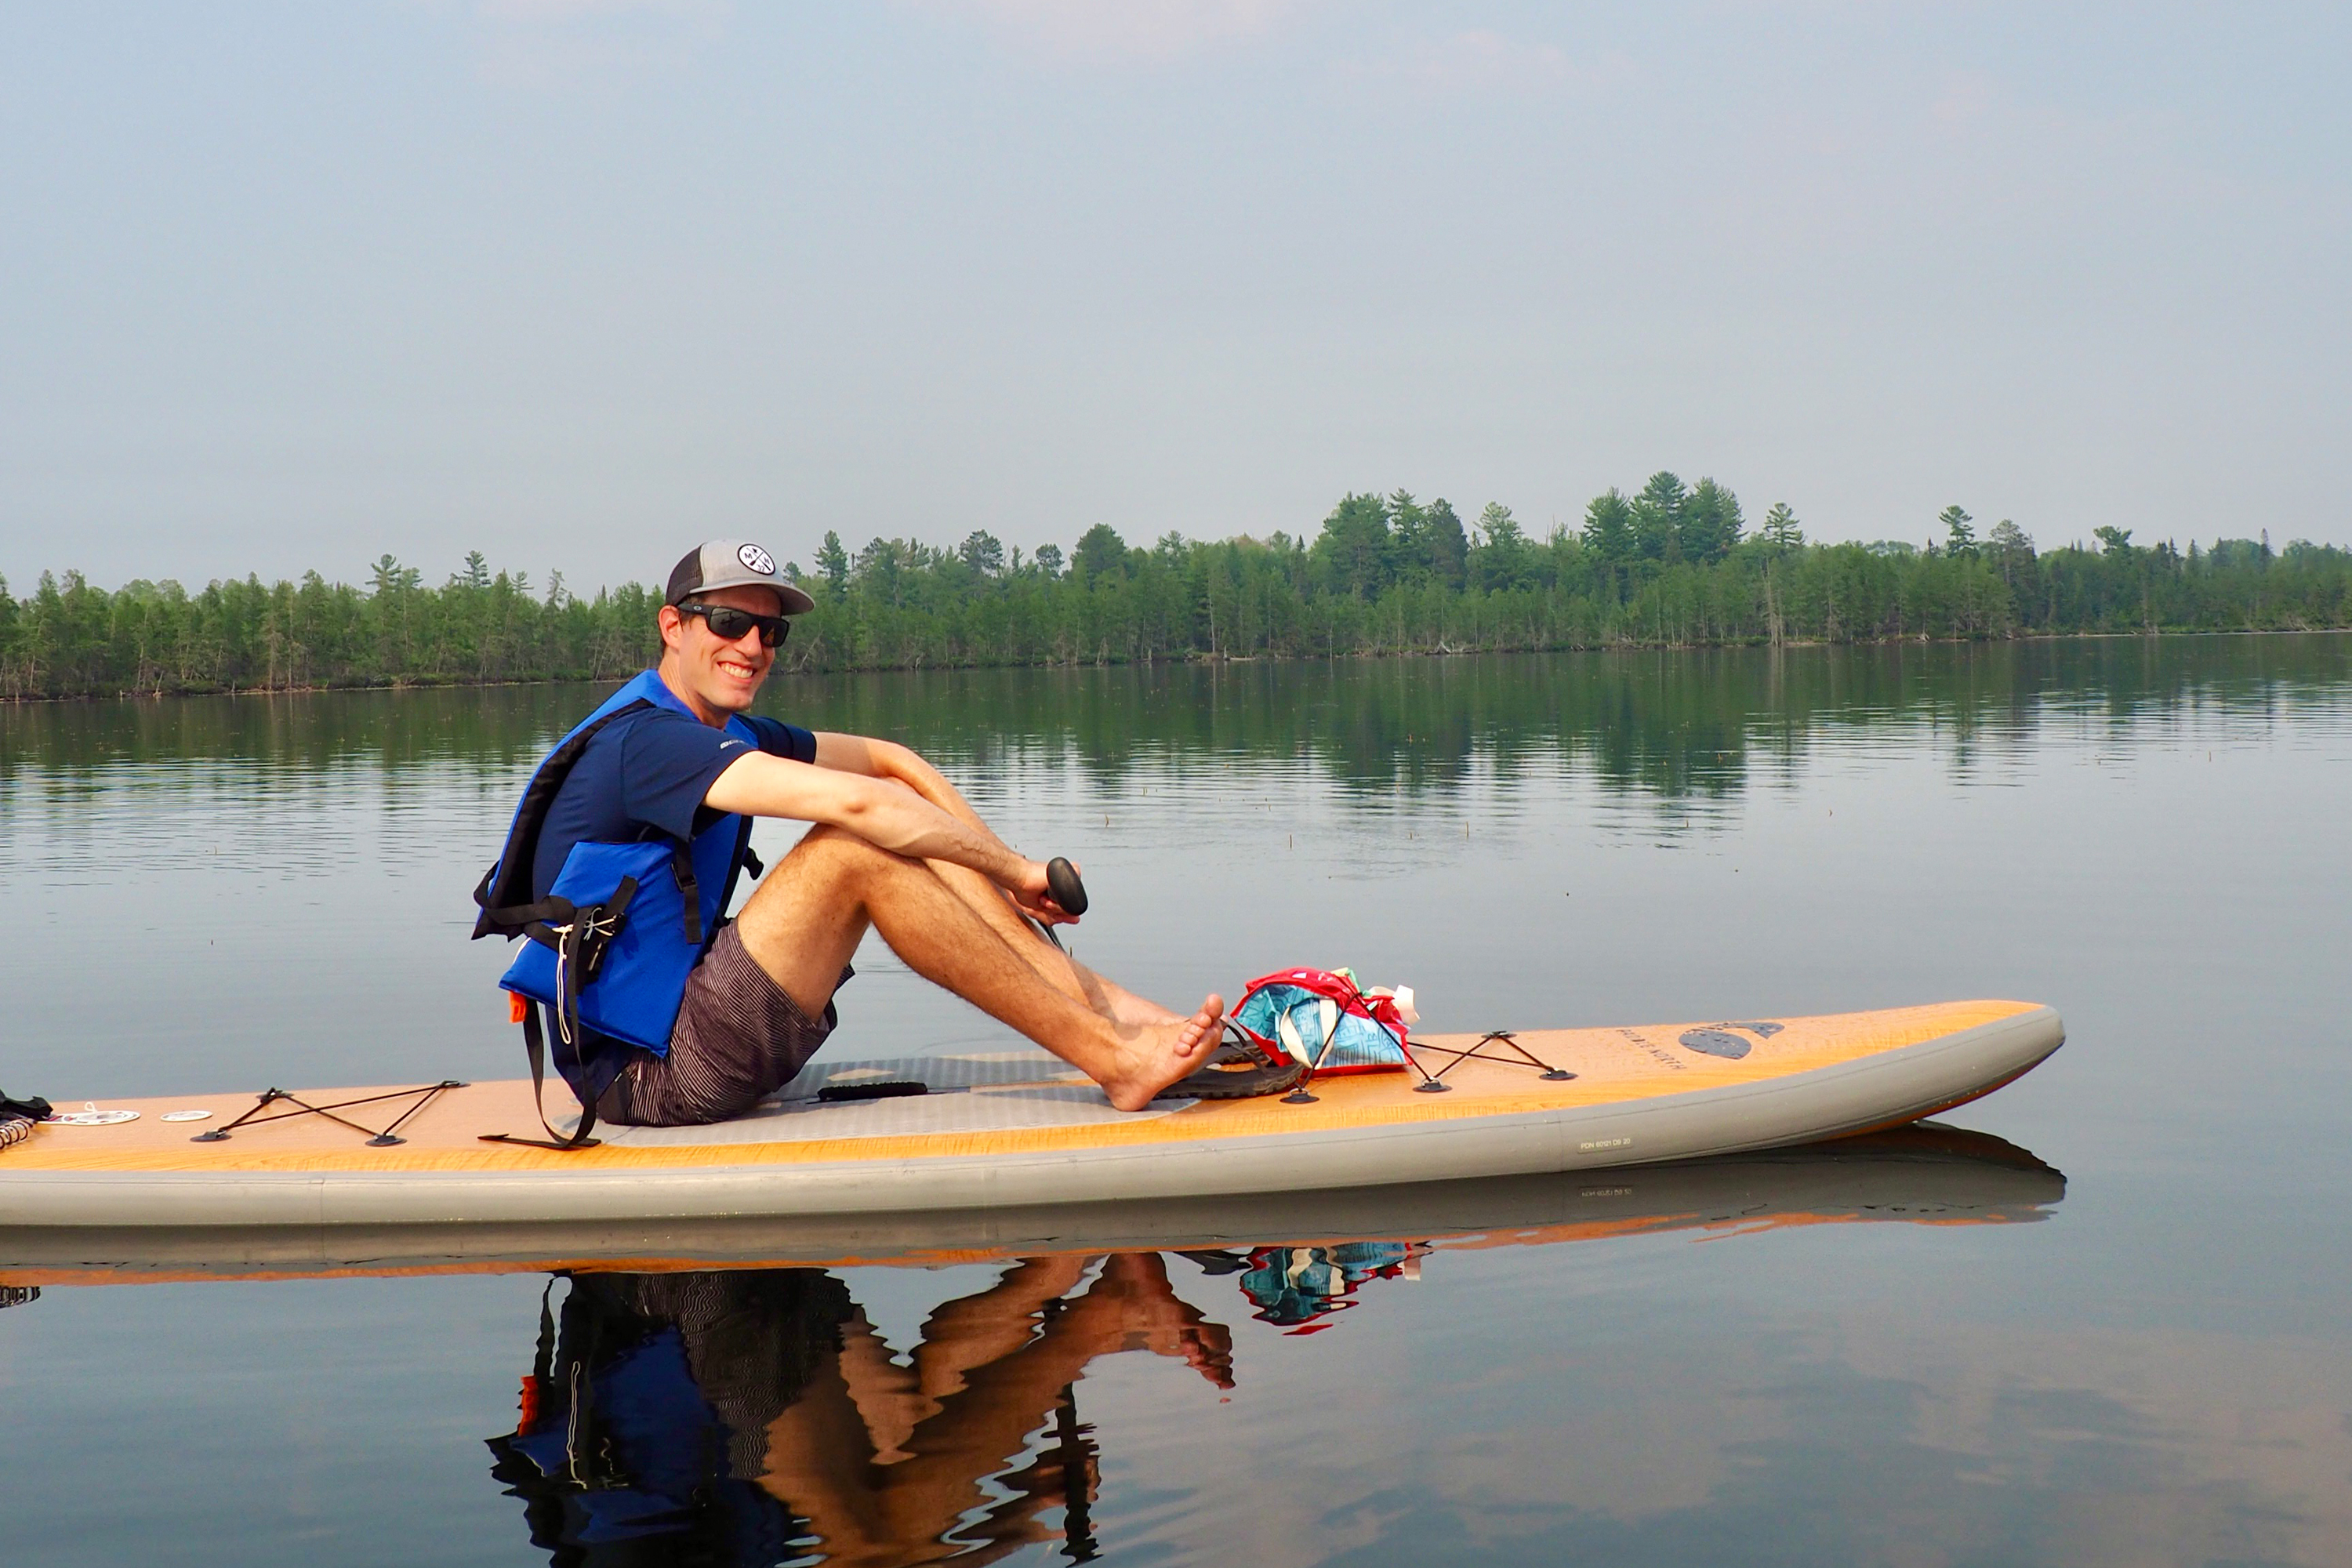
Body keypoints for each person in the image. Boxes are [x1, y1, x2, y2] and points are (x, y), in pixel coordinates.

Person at [477, 539, 1225, 1130]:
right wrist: (1017, 868)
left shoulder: (726, 729)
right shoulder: (650, 744)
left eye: (770, 630)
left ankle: (1120, 1017)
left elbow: (889, 763)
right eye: (730, 622)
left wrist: (998, 877)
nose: (754, 644)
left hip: (688, 1022)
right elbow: (865, 808)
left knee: (892, 829)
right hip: (648, 1075)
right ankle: (1114, 1060)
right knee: (851, 852)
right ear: (673, 627)